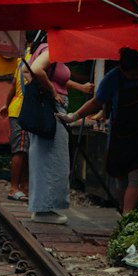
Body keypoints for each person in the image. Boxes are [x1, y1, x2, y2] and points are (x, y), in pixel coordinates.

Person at [62, 47, 138, 214]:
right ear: (122, 69)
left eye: (136, 74)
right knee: (120, 182)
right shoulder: (114, 78)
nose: (134, 77)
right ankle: (125, 213)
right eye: (130, 75)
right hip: (120, 138)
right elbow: (96, 102)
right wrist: (74, 116)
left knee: (136, 181)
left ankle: (127, 218)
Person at [25, 45, 92, 224]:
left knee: (46, 157)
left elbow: (26, 70)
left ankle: (42, 207)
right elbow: (36, 70)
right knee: (53, 159)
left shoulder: (41, 48)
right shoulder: (51, 49)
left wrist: (79, 88)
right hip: (52, 109)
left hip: (48, 108)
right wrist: (52, 91)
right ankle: (44, 210)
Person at [0, 58, 29, 201]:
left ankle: (24, 186)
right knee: (20, 150)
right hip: (21, 111)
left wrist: (6, 104)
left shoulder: (23, 58)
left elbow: (13, 85)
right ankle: (14, 188)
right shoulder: (31, 58)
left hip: (19, 109)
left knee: (25, 150)